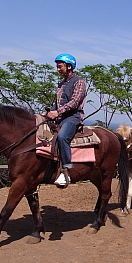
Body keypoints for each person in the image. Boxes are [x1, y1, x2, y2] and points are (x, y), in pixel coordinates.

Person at [46, 53, 86, 188]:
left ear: (69, 66)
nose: (58, 69)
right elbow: (58, 103)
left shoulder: (79, 82)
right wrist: (48, 112)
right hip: (61, 116)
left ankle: (66, 170)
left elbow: (74, 102)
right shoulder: (62, 84)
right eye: (57, 67)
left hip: (73, 117)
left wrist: (57, 112)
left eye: (60, 66)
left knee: (63, 136)